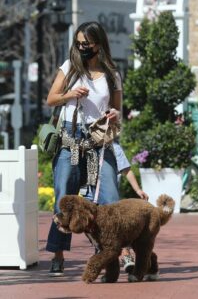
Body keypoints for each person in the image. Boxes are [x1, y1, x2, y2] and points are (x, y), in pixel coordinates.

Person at [46, 21, 122, 276]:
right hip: (70, 137)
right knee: (64, 196)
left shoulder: (112, 73)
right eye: (78, 43)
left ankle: (108, 253)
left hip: (99, 140)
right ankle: (57, 254)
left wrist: (114, 114)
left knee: (110, 198)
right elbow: (51, 99)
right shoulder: (69, 67)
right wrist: (70, 95)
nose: (82, 48)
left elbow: (119, 110)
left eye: (86, 44)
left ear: (99, 44)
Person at [112, 141, 149, 274]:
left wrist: (138, 190)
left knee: (120, 228)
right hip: (92, 198)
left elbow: (126, 170)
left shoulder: (114, 148)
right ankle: (107, 261)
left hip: (111, 198)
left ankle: (126, 254)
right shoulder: (86, 145)